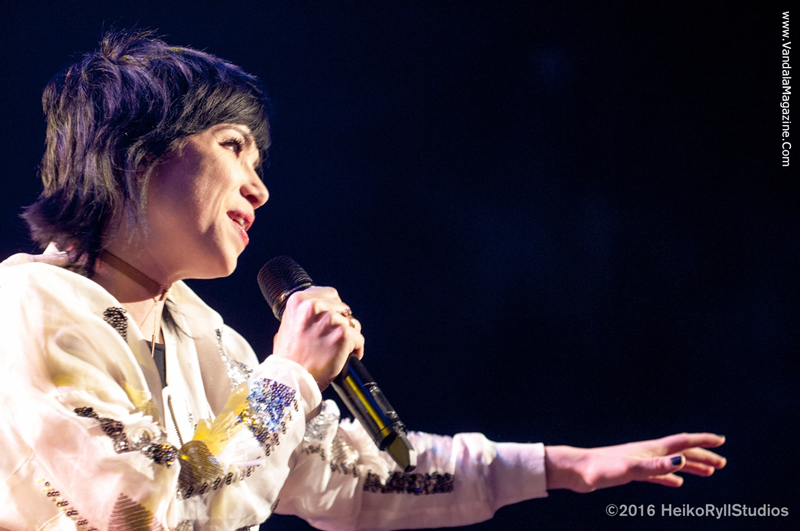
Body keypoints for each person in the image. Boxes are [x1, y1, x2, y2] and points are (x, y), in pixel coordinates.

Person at [0, 30, 726, 531]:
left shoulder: (203, 337)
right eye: (232, 146)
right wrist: (291, 375)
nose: (259, 188)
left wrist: (566, 466)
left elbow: (355, 476)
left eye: (258, 163)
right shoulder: (33, 303)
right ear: (138, 155)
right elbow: (140, 508)